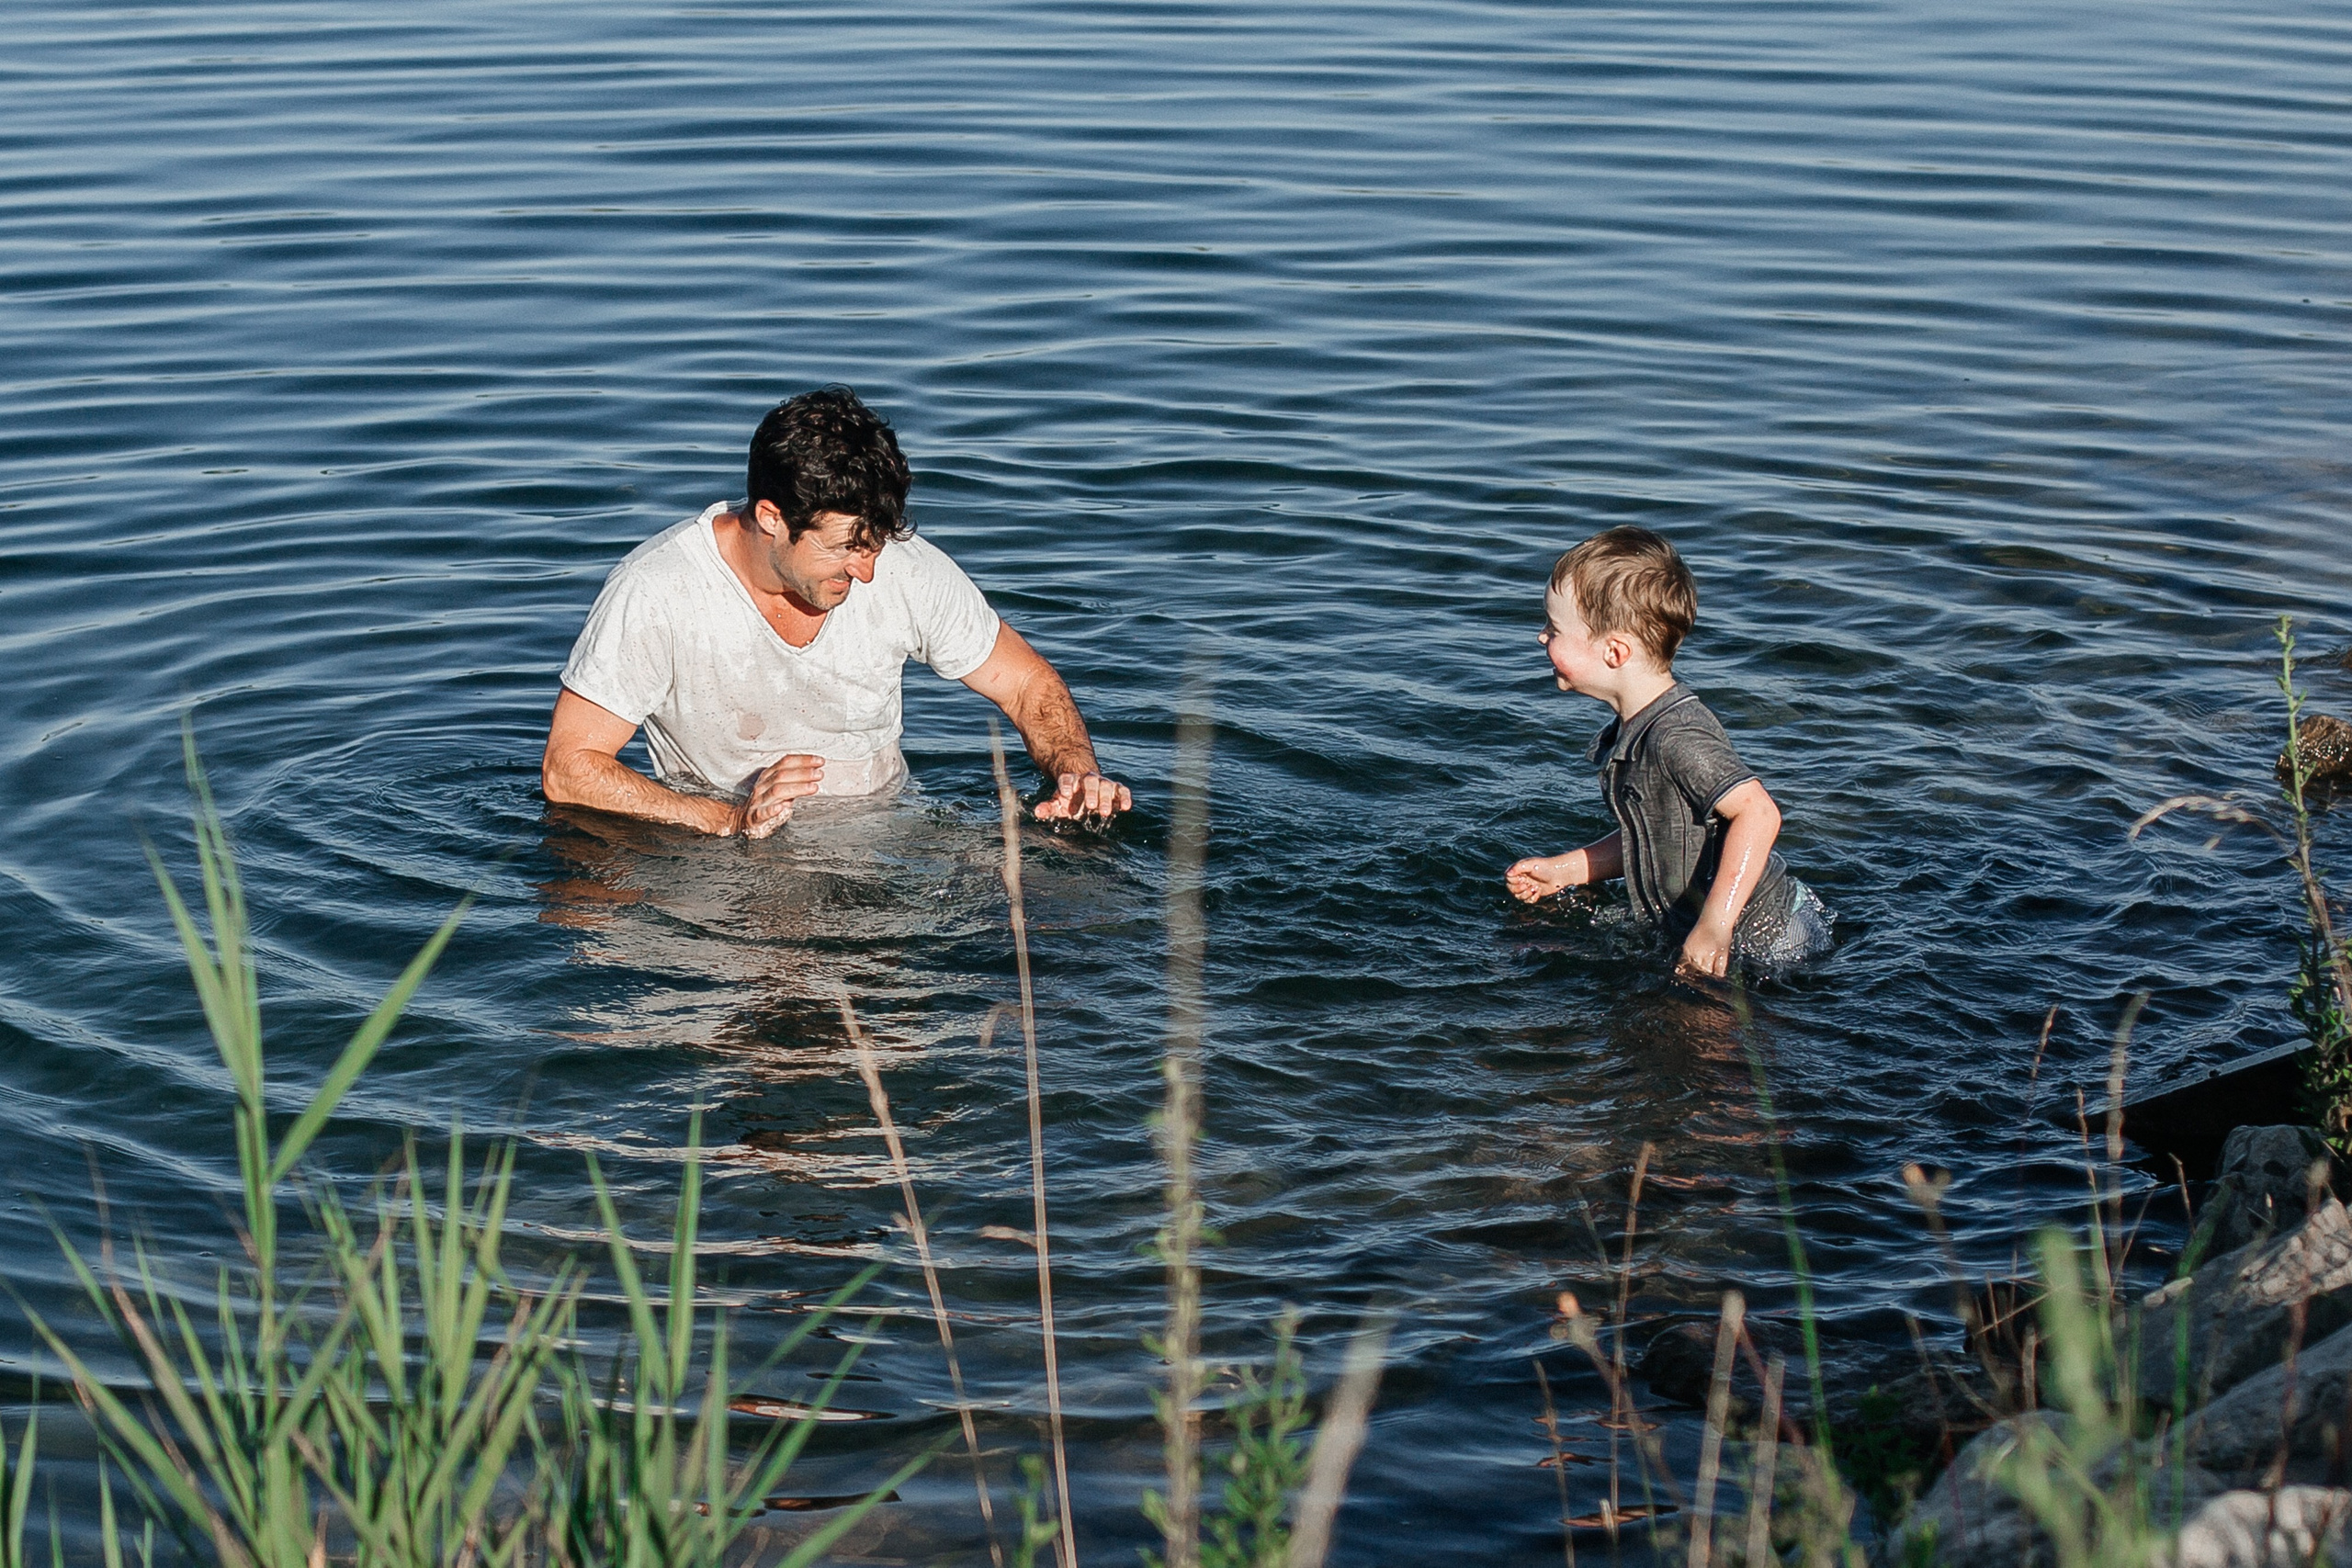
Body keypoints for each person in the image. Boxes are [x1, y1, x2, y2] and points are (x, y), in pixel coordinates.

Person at [543, 387, 1132, 837]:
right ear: (771, 518)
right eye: (845, 548)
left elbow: (1026, 684)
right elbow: (569, 768)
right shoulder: (656, 591)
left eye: (875, 544)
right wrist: (728, 820)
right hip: (734, 865)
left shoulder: (902, 567)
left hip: (894, 850)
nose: (867, 571)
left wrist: (1076, 771)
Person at [1504, 526, 1830, 979]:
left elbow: (1758, 813)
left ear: (1615, 652)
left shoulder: (1676, 736)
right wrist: (1567, 870)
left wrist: (1715, 926)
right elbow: (1657, 837)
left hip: (1769, 935)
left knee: (1704, 1022)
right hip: (1722, 925)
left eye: (1553, 629)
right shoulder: (1636, 729)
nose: (1542, 638)